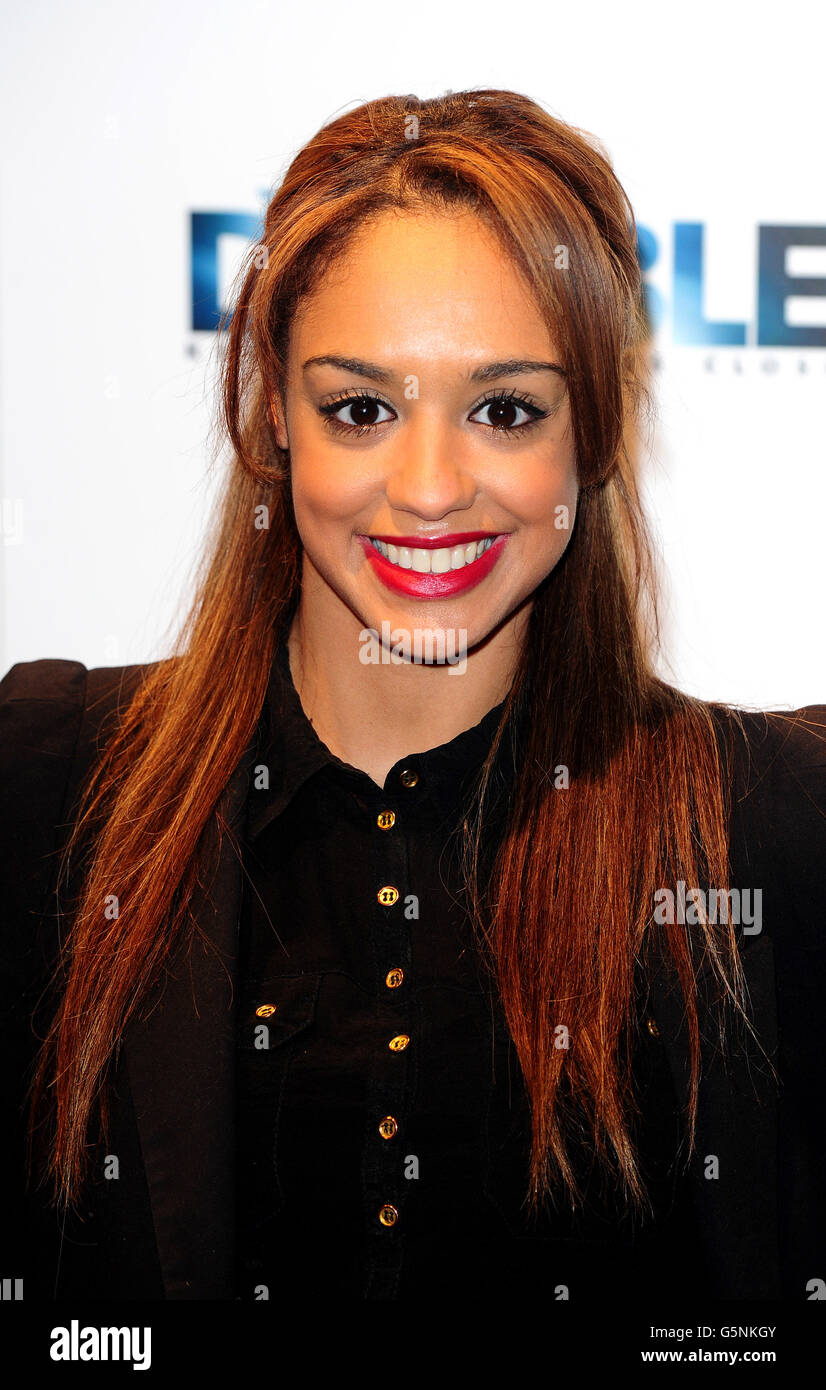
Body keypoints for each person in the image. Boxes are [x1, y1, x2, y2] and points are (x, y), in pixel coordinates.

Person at [1, 88, 824, 1303]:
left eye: (504, 409)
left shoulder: (773, 825)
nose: (431, 487)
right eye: (361, 408)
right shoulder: (50, 785)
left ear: (590, 429)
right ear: (272, 413)